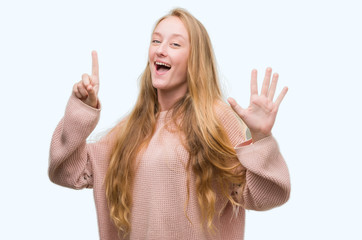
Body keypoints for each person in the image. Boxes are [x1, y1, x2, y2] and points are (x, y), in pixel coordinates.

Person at [49, 8, 290, 240]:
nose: (161, 50)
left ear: (195, 59)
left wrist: (259, 137)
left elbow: (269, 195)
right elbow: (67, 172)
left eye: (174, 44)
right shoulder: (129, 130)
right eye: (156, 41)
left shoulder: (216, 120)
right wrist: (82, 110)